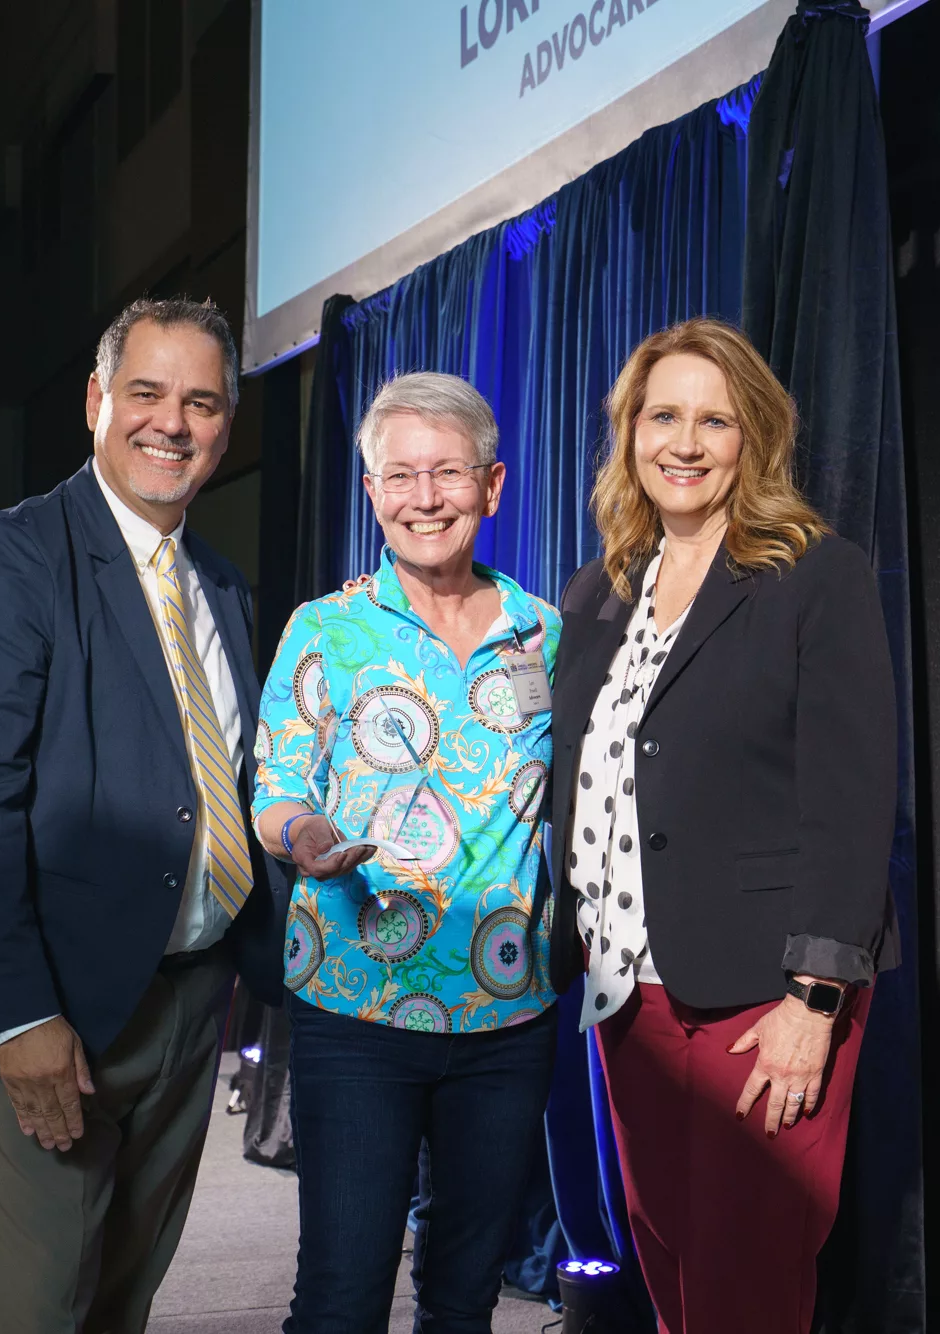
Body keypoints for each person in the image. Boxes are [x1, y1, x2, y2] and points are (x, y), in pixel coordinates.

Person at [0, 297, 289, 1334]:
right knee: (42, 1308)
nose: (173, 423)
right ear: (95, 402)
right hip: (50, 1004)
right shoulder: (7, 560)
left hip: (186, 998)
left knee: (124, 1295)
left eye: (201, 402)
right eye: (147, 393)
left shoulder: (219, 584)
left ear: (226, 426)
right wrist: (20, 1015)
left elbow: (218, 780)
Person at [547, 318, 897, 1333]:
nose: (686, 443)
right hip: (629, 995)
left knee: (745, 1278)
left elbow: (849, 802)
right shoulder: (601, 591)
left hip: (763, 993)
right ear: (630, 432)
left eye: (715, 420)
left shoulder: (813, 576)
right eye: (663, 416)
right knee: (667, 1259)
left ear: (756, 438)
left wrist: (813, 1000)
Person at [253, 372, 561, 1334]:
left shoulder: (545, 633)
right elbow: (275, 793)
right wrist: (307, 839)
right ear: (372, 492)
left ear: (493, 486)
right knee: (342, 1299)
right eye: (400, 476)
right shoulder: (326, 629)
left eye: (449, 473)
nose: (425, 498)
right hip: (359, 1007)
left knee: (465, 1301)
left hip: (509, 1014)